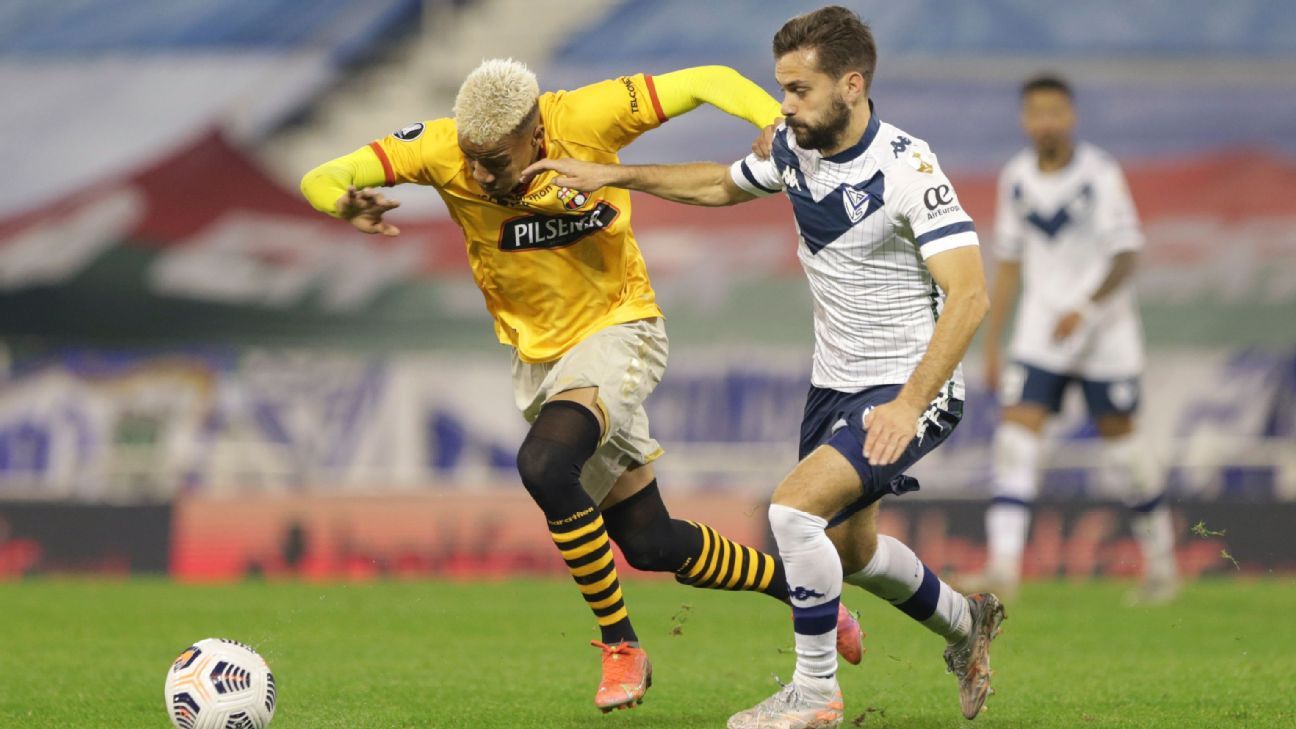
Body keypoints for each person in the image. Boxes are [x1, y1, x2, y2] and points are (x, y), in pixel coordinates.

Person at [299, 58, 864, 714]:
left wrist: (771, 120)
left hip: (623, 330)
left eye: (496, 161)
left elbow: (706, 78)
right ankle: (808, 592)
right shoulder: (438, 147)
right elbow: (323, 173)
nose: (480, 174)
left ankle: (621, 644)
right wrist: (341, 202)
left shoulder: (590, 117)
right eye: (472, 159)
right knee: (651, 540)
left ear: (535, 133)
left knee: (543, 462)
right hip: (542, 363)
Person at [522, 7, 1004, 727]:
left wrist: (908, 404)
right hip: (835, 383)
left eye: (798, 90)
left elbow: (970, 294)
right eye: (781, 89)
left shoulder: (909, 169)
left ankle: (813, 697)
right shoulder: (794, 148)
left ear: (851, 84)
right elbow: (722, 183)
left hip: (906, 386)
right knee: (853, 549)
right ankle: (968, 622)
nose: (783, 105)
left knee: (791, 511)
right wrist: (612, 174)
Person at [966, 73, 1177, 603]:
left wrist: (1085, 308)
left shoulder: (1100, 174)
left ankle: (1161, 564)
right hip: (1041, 332)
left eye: (1055, 112)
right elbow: (1009, 263)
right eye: (1036, 113)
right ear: (1024, 119)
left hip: (1105, 330)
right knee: (1015, 439)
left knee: (1124, 450)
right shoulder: (1015, 177)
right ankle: (1004, 569)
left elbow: (1128, 254)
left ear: (1072, 116)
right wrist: (993, 342)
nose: (1046, 122)